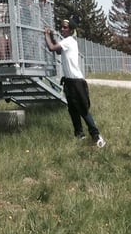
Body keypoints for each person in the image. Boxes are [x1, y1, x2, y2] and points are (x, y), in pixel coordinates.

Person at [44, 19, 106, 147]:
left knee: (83, 110)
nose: (62, 29)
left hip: (77, 82)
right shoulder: (67, 42)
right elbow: (59, 51)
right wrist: (51, 36)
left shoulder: (69, 41)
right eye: (61, 27)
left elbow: (52, 48)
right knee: (72, 110)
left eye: (65, 28)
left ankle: (96, 135)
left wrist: (46, 34)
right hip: (69, 82)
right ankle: (79, 135)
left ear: (71, 30)